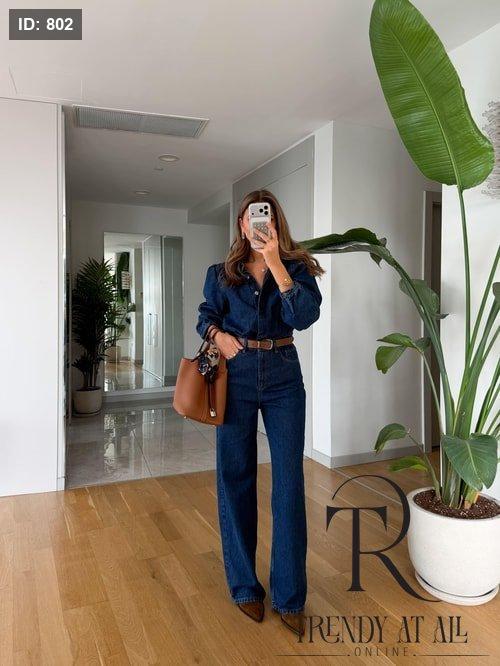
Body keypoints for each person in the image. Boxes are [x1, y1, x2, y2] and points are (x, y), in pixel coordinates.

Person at [196, 189, 325, 636]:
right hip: (235, 374)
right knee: (235, 475)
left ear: (275, 222)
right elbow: (205, 317)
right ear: (241, 224)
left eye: (264, 217)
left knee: (288, 482)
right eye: (250, 217)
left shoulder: (297, 267)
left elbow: (304, 316)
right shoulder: (221, 274)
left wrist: (274, 261)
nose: (257, 224)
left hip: (283, 374)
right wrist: (218, 336)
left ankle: (290, 594)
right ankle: (244, 586)